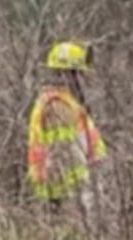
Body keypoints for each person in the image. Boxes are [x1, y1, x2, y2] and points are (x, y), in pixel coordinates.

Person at [26, 41, 107, 218]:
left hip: (68, 192)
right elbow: (62, 153)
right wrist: (78, 193)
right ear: (68, 74)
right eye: (79, 74)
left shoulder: (65, 102)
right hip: (66, 195)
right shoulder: (58, 105)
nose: (83, 80)